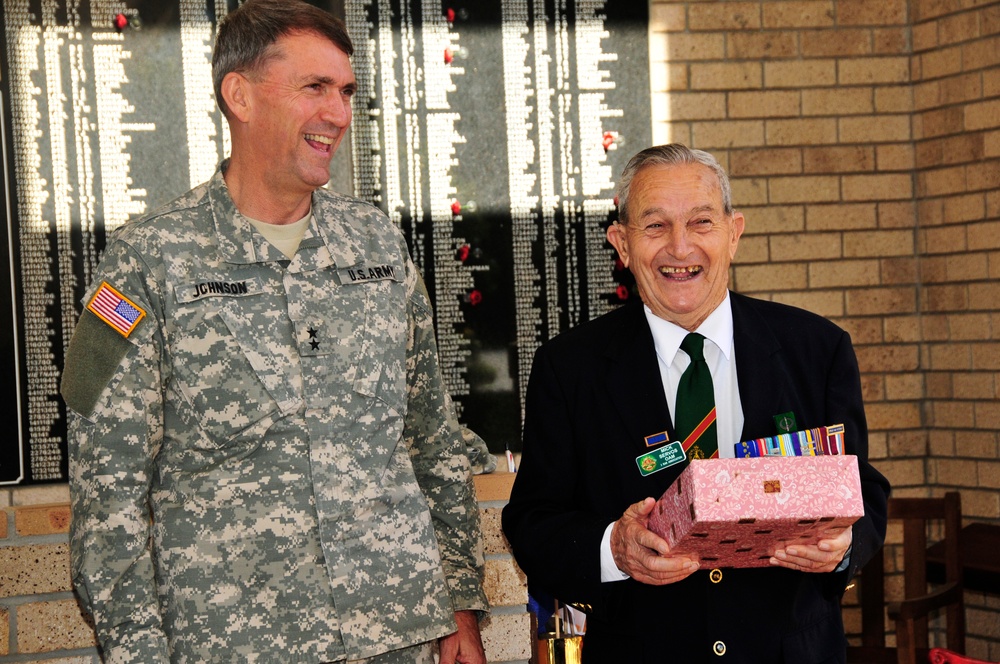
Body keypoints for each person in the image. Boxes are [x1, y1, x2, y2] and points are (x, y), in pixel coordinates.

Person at [60, 1, 488, 662]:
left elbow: (430, 432)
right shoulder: (143, 262)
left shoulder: (376, 244)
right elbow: (106, 494)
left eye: (346, 92)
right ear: (241, 96)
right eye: (314, 88)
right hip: (235, 645)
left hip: (393, 640)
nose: (340, 114)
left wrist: (460, 599)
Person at [502, 144, 890, 663]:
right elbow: (532, 522)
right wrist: (613, 548)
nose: (680, 248)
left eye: (701, 222)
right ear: (621, 243)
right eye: (655, 226)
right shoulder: (569, 369)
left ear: (734, 234)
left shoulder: (817, 350)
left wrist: (843, 545)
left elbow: (863, 486)